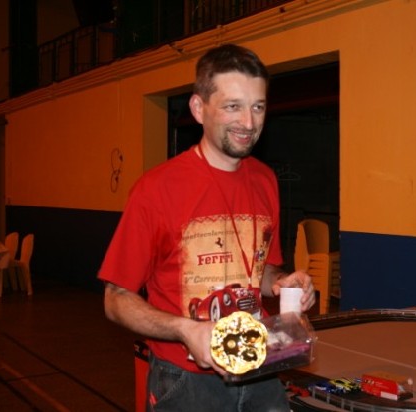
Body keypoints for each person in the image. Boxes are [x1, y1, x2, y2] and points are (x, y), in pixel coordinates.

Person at [98, 43, 316, 411]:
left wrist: (282, 282)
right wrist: (185, 329)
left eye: (258, 107)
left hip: (259, 369)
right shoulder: (156, 189)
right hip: (186, 382)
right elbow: (115, 299)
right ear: (199, 108)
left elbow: (261, 270)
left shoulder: (265, 180)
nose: (249, 123)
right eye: (232, 106)